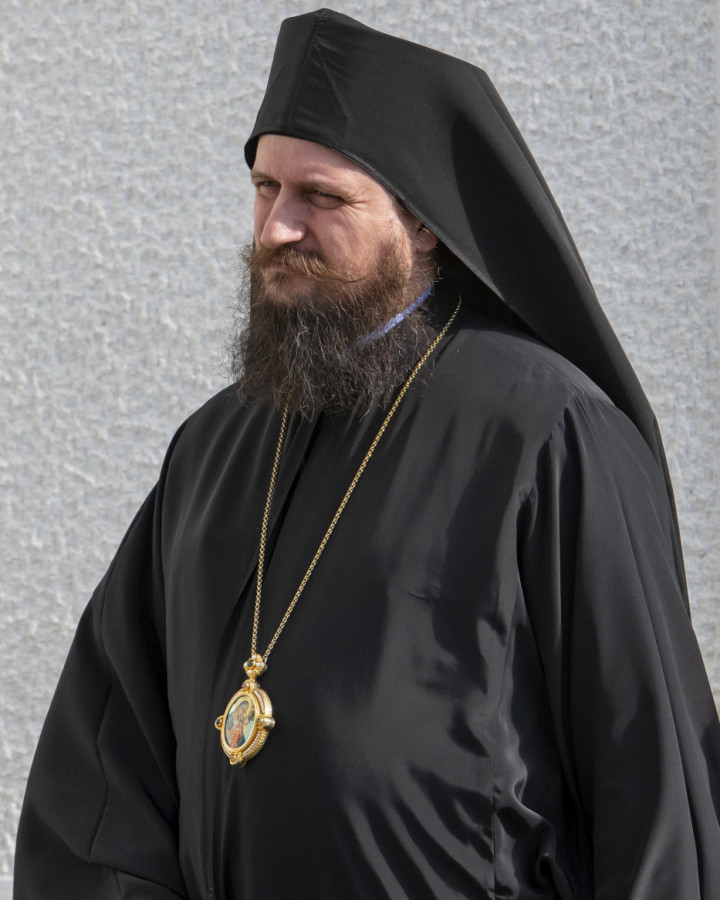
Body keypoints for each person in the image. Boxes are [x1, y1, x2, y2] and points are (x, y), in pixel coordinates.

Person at [14, 9, 720, 899]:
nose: (276, 228)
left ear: (421, 222)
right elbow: (102, 785)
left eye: (321, 197)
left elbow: (652, 792)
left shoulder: (547, 434)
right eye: (265, 188)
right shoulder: (210, 452)